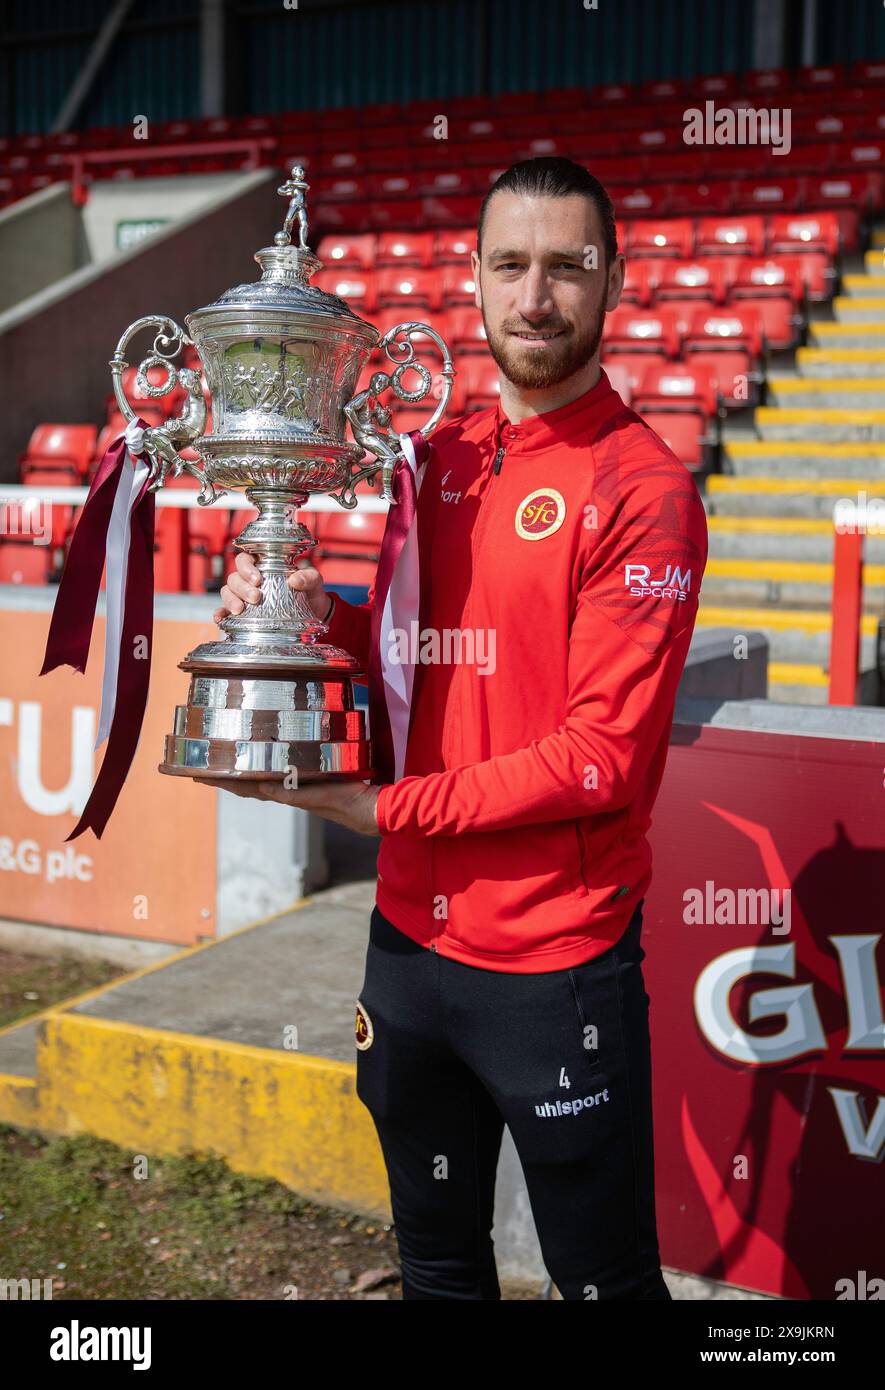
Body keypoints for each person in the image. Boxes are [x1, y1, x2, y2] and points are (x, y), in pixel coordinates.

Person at [207, 157, 709, 1300]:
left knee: (606, 1282)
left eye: (568, 267)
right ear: (474, 281)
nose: (538, 296)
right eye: (512, 265)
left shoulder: (642, 490)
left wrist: (381, 808)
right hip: (408, 955)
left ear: (615, 279)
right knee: (435, 1266)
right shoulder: (438, 457)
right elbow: (405, 643)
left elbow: (598, 758)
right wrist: (294, 607)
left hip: (553, 967)